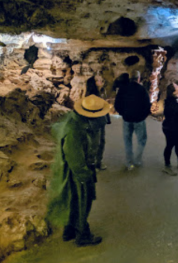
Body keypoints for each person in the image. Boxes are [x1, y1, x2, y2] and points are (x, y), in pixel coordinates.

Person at [47, 95, 112, 246]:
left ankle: (69, 230)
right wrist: (84, 175)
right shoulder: (74, 129)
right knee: (82, 201)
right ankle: (82, 235)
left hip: (82, 167)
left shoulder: (83, 122)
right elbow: (73, 154)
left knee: (74, 200)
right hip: (78, 170)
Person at [114, 70, 151, 170]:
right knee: (142, 140)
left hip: (127, 119)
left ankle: (129, 162)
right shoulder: (142, 89)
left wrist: (123, 113)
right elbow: (147, 105)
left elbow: (117, 104)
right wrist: (143, 116)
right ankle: (137, 160)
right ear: (138, 78)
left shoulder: (123, 89)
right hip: (139, 120)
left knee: (127, 140)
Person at [162, 83, 178, 176]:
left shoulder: (176, 99)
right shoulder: (171, 102)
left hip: (175, 127)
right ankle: (167, 166)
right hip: (170, 128)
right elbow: (172, 116)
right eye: (177, 86)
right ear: (174, 91)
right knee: (170, 146)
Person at [85, 75, 111, 171]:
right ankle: (91, 163)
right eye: (97, 80)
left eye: (100, 79)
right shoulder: (91, 96)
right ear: (93, 83)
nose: (101, 81)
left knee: (101, 142)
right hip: (94, 121)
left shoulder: (101, 93)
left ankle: (98, 162)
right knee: (94, 143)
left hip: (101, 120)